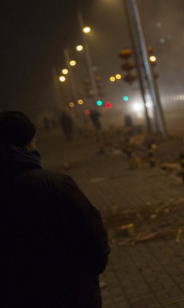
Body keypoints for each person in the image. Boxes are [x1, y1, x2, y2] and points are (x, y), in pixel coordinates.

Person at [0, 111, 110, 308]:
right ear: (28, 143)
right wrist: (89, 274)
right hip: (67, 294)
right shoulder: (54, 184)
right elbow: (91, 233)